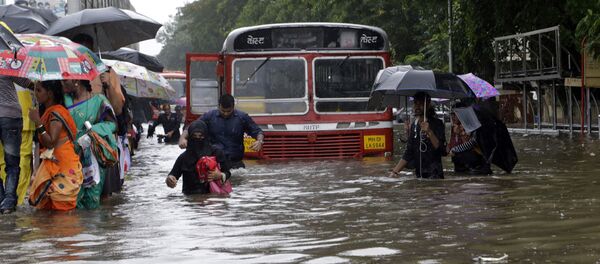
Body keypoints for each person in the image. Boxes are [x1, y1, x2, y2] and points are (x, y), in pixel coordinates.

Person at [63, 79, 118, 209]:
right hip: (69, 156)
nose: (62, 84)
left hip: (92, 157)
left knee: (92, 198)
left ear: (76, 82)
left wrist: (91, 132)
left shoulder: (99, 101)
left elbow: (113, 124)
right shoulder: (63, 100)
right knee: (70, 198)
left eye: (66, 81)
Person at [28, 80, 83, 211]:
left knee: (61, 215)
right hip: (56, 164)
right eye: (35, 90)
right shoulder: (51, 111)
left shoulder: (56, 113)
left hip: (62, 166)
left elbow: (51, 142)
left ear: (50, 93)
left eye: (39, 90)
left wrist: (37, 122)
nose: (35, 94)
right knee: (50, 213)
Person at [179, 94, 264, 169]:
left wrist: (259, 141)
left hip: (235, 163)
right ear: (219, 106)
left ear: (233, 107)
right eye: (223, 111)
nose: (226, 114)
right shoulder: (210, 116)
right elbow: (191, 127)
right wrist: (183, 138)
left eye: (228, 111)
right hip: (214, 163)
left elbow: (257, 131)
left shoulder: (242, 117)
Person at [389, 92, 446, 179]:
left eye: (421, 103)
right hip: (419, 175)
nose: (417, 106)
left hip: (435, 176)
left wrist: (429, 132)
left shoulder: (437, 123)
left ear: (428, 104)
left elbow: (442, 150)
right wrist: (394, 172)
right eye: (415, 103)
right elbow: (409, 152)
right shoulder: (414, 125)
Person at [166, 120, 231, 194]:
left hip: (212, 199)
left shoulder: (216, 152)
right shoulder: (184, 157)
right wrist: (170, 180)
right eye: (194, 136)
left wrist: (219, 175)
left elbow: (227, 173)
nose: (197, 139)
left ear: (206, 136)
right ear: (190, 137)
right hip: (190, 198)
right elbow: (173, 175)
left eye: (201, 136)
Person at [0, 76, 31, 214]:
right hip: (11, 117)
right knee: (12, 164)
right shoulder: (6, 63)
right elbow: (27, 83)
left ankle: (2, 198)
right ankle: (8, 202)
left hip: (10, 117)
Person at [447, 109, 491, 175]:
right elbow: (451, 146)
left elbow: (470, 144)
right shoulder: (454, 128)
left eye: (455, 115)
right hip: (462, 166)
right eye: (452, 115)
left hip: (476, 167)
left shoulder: (473, 128)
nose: (452, 117)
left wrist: (461, 134)